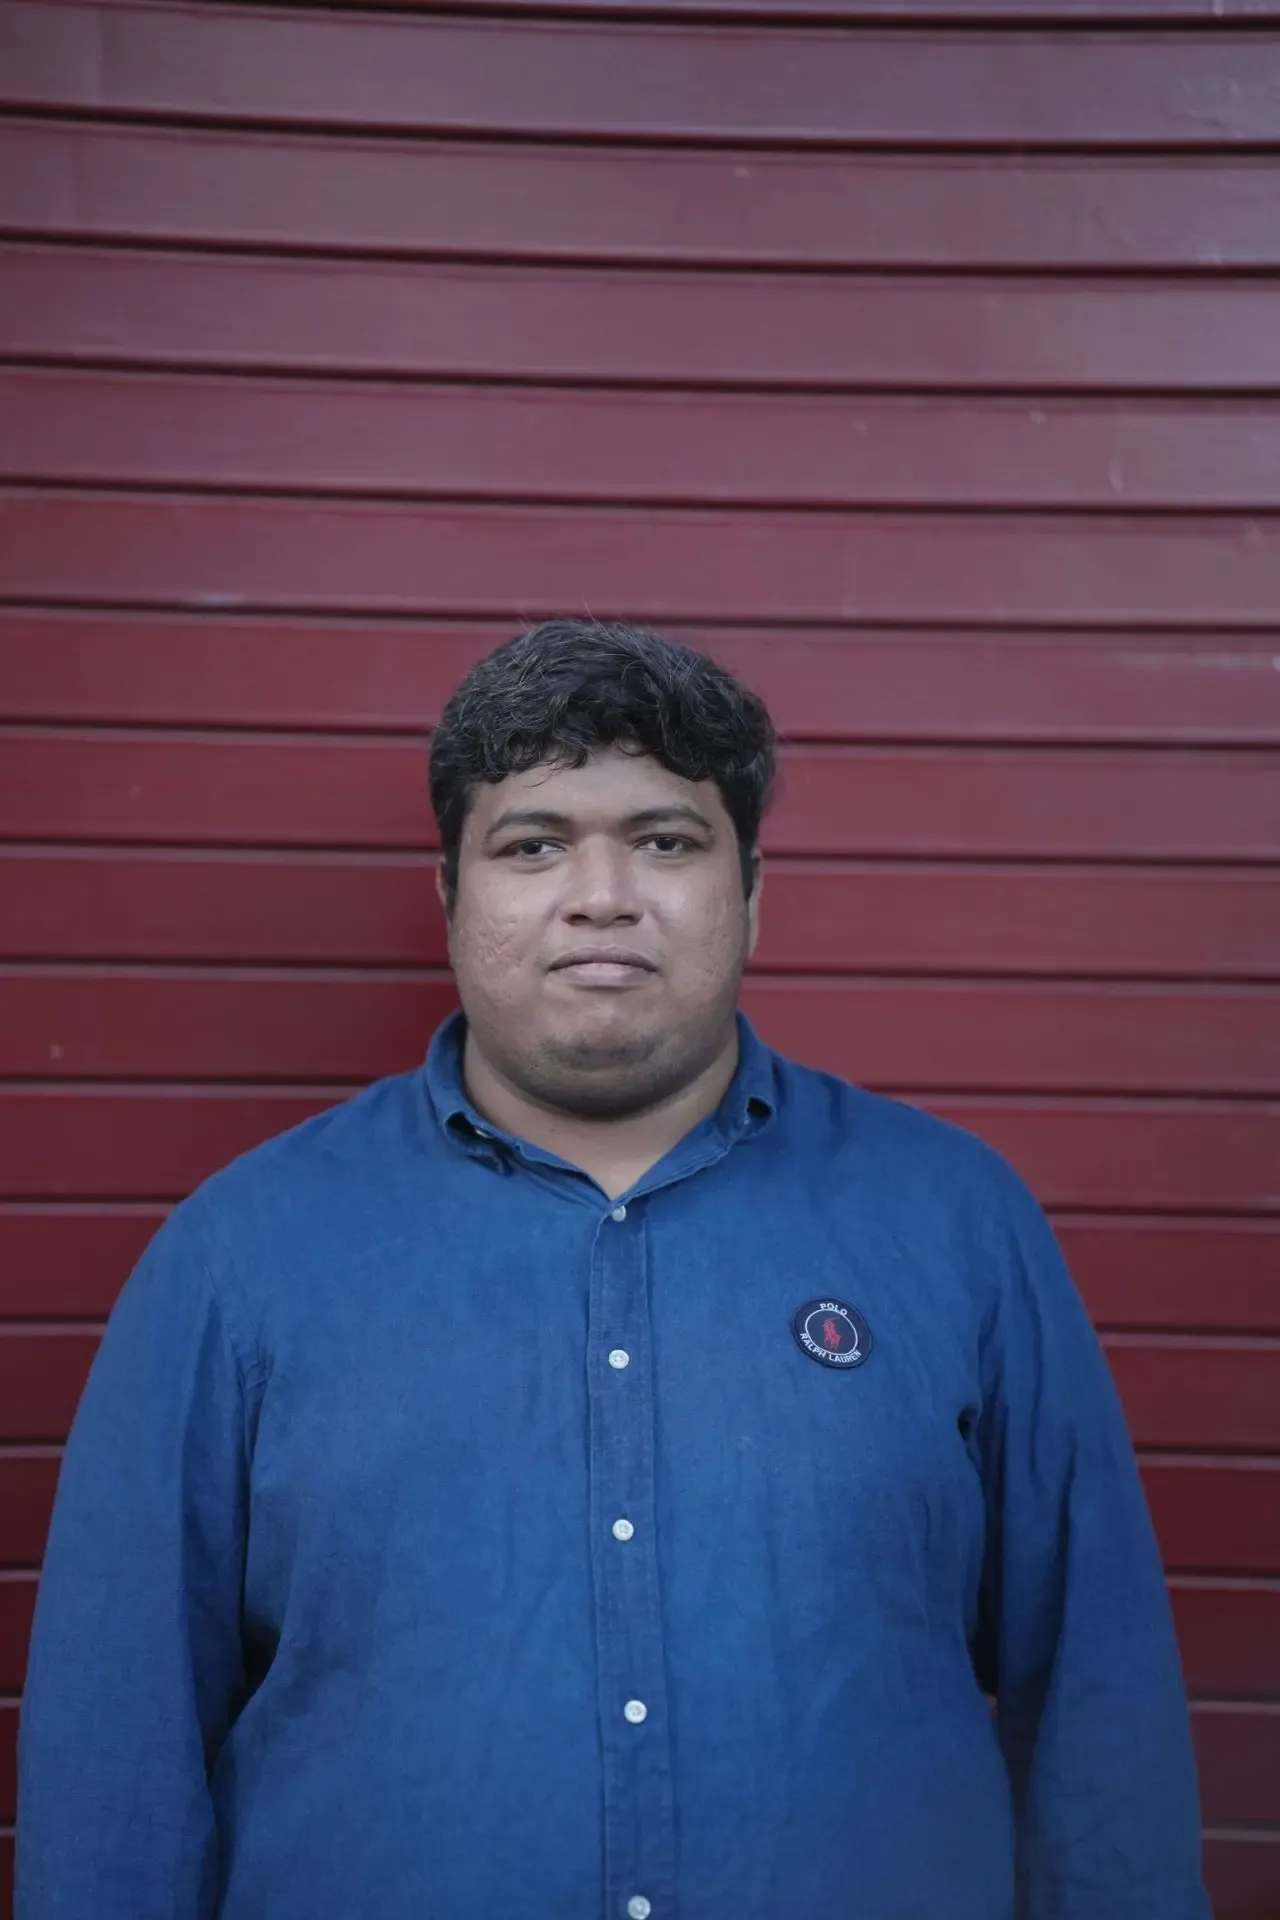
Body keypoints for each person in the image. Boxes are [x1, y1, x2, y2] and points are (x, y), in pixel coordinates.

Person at [18, 620, 1209, 1920]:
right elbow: (117, 1755)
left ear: (752, 890)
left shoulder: (956, 1222)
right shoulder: (238, 1258)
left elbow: (1098, 1702)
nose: (603, 895)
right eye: (533, 844)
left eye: (666, 841)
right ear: (451, 894)